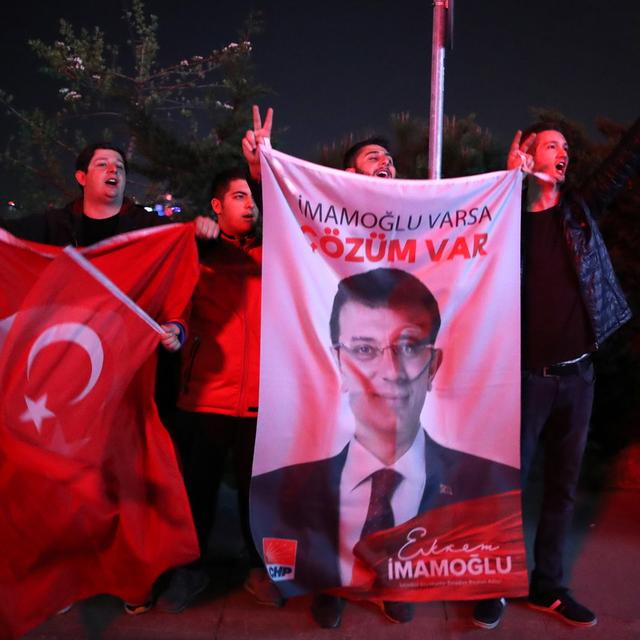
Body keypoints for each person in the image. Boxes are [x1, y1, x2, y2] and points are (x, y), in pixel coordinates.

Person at [0, 141, 211, 614]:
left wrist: (177, 325)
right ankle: (61, 580)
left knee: (127, 481)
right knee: (64, 483)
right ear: (82, 177)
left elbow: (177, 281)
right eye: (102, 164)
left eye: (118, 165)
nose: (112, 170)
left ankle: (132, 579)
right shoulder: (53, 226)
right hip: (62, 383)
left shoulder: (149, 230)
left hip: (129, 378)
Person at [251, 267, 520, 628]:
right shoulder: (281, 487)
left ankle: (398, 588)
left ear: (433, 364)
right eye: (364, 349)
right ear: (339, 363)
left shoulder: (486, 484)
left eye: (408, 347)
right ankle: (333, 588)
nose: (390, 371)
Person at [472, 117, 640, 630]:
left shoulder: (579, 211)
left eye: (565, 147)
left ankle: (548, 586)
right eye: (551, 145)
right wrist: (507, 186)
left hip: (578, 379)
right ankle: (495, 584)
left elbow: (620, 165)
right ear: (528, 154)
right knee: (509, 486)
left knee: (563, 488)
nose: (561, 152)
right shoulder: (507, 220)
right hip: (526, 380)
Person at [156, 168, 283, 613]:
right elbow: (178, 302)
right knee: (197, 490)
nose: (250, 204)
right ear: (215, 206)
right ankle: (188, 570)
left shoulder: (278, 253)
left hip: (263, 400)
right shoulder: (199, 250)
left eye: (253, 197)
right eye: (237, 196)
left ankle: (259, 568)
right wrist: (174, 326)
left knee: (259, 494)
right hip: (206, 394)